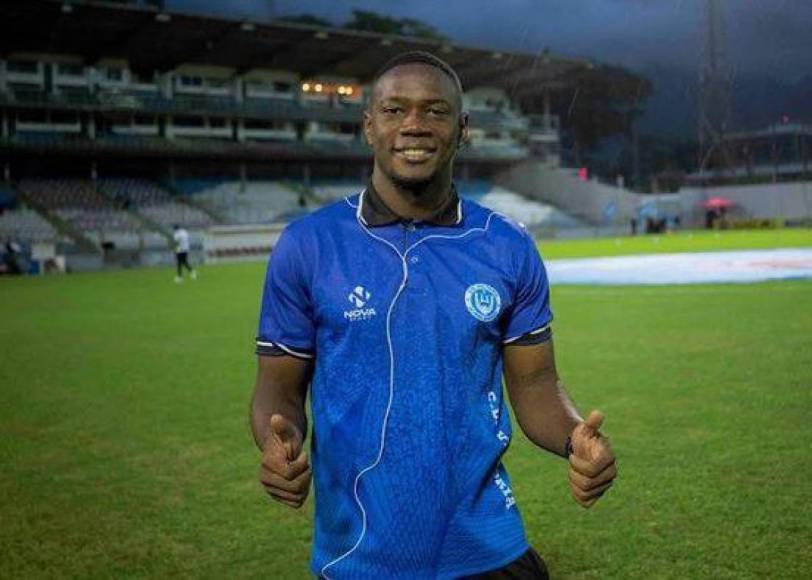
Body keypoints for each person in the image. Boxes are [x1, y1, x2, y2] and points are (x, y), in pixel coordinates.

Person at [251, 51, 617, 579]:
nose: (414, 125)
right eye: (395, 110)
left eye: (435, 111)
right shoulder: (308, 245)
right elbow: (277, 389)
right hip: (358, 557)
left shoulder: (506, 246)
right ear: (369, 126)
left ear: (462, 129)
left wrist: (576, 437)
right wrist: (277, 442)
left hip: (490, 546)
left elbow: (536, 384)